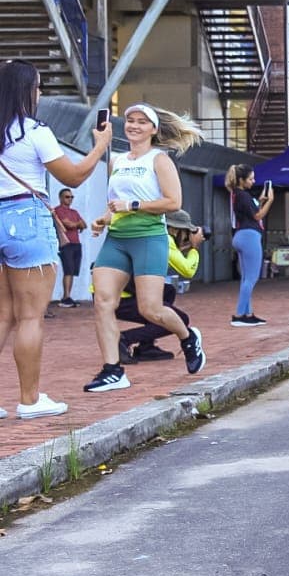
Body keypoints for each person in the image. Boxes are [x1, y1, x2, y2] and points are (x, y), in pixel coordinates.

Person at [0, 60, 112, 419]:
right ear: (25, 91)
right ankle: (30, 400)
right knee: (31, 316)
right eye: (37, 86)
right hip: (26, 218)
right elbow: (74, 177)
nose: (40, 93)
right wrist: (100, 146)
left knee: (2, 315)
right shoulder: (33, 130)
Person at [87, 104, 207, 392]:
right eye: (130, 121)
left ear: (153, 129)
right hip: (117, 238)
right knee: (103, 303)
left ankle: (188, 337)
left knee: (151, 309)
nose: (134, 126)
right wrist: (104, 219)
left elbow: (173, 203)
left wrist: (134, 205)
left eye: (142, 122)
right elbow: (115, 203)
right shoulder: (116, 160)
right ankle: (113, 370)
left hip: (149, 237)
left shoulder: (160, 160)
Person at [117, 209, 204, 364]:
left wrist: (184, 247)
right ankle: (124, 339)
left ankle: (146, 346)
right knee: (180, 320)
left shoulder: (149, 234)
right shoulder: (164, 238)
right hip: (120, 299)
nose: (186, 236)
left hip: (115, 292)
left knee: (168, 291)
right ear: (175, 229)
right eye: (185, 232)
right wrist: (194, 248)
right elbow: (188, 270)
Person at [225, 163, 271, 326]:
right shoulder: (243, 195)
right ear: (241, 180)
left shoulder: (238, 194)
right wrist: (269, 201)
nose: (253, 181)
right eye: (250, 179)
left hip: (241, 235)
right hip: (249, 236)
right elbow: (258, 216)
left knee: (246, 278)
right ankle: (239, 315)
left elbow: (250, 212)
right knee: (252, 278)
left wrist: (260, 201)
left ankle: (247, 313)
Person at [53, 187, 87, 307]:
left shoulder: (74, 212)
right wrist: (77, 224)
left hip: (76, 243)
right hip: (66, 244)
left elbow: (84, 224)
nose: (70, 199)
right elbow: (68, 224)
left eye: (72, 197)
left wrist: (76, 224)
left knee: (72, 271)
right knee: (68, 270)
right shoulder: (58, 210)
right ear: (61, 198)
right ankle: (65, 298)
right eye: (67, 197)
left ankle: (67, 297)